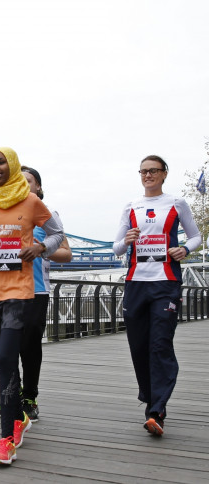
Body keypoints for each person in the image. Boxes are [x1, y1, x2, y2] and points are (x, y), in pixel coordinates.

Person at [0, 147, 64, 464]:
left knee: (7, 358)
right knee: (3, 362)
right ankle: (18, 417)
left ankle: (5, 439)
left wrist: (40, 247)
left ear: (13, 166)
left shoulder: (31, 202)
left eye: (1, 163)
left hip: (19, 292)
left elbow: (57, 234)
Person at [112, 155, 200, 436]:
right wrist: (125, 241)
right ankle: (151, 400)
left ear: (164, 174)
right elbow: (116, 248)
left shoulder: (176, 204)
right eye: (143, 171)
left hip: (166, 283)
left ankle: (157, 410)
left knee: (160, 344)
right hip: (136, 282)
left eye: (153, 171)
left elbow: (196, 237)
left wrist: (184, 249)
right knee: (139, 346)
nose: (148, 175)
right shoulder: (131, 207)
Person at [0, 166, 72, 422]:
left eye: (29, 181)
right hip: (4, 288)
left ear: (38, 187)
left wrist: (39, 249)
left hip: (35, 289)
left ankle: (30, 397)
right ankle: (10, 394)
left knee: (29, 347)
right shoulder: (2, 212)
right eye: (19, 180)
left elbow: (67, 254)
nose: (23, 185)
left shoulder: (47, 215)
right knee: (6, 346)